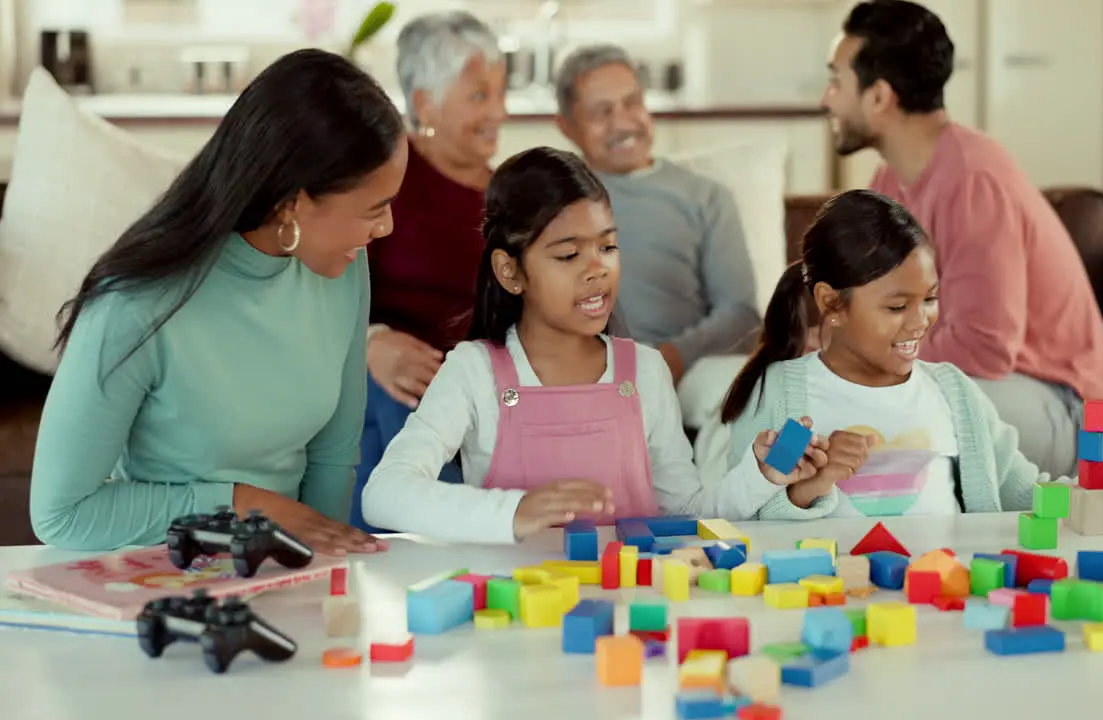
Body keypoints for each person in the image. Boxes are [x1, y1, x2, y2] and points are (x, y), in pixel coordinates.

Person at [28, 49, 406, 553]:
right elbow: (62, 515)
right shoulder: (136, 306)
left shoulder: (341, 269)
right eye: (373, 209)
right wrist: (245, 505)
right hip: (163, 572)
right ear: (291, 201)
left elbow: (333, 454)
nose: (387, 228)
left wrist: (326, 575)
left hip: (281, 569)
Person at [361, 147, 823, 544]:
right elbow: (384, 494)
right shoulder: (474, 371)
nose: (597, 268)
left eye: (608, 247)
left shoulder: (644, 370)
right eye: (568, 254)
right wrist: (514, 512)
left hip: (631, 614)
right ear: (510, 271)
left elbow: (686, 511)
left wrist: (762, 474)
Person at [720, 189, 1103, 519]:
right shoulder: (781, 395)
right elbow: (741, 521)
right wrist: (808, 492)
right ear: (830, 305)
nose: (920, 322)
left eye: (929, 299)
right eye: (895, 306)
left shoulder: (952, 393)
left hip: (944, 607)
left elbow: (1030, 494)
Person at [819, 0, 1103, 479]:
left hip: (1058, 402)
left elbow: (985, 348)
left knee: (876, 419)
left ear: (879, 97)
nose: (827, 98)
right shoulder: (889, 180)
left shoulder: (972, 179)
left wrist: (865, 355)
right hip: (982, 385)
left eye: (837, 80)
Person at [352, 11, 509, 532]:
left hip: (483, 378)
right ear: (425, 104)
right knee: (405, 405)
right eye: (479, 96)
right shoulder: (380, 175)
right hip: (385, 374)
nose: (499, 113)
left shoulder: (514, 195)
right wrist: (370, 341)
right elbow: (325, 282)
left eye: (501, 93)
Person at [552, 44, 761, 393]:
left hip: (685, 372)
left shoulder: (707, 197)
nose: (622, 122)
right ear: (566, 126)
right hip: (578, 373)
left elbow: (740, 316)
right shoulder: (550, 200)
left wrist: (666, 361)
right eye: (602, 112)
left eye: (632, 103)